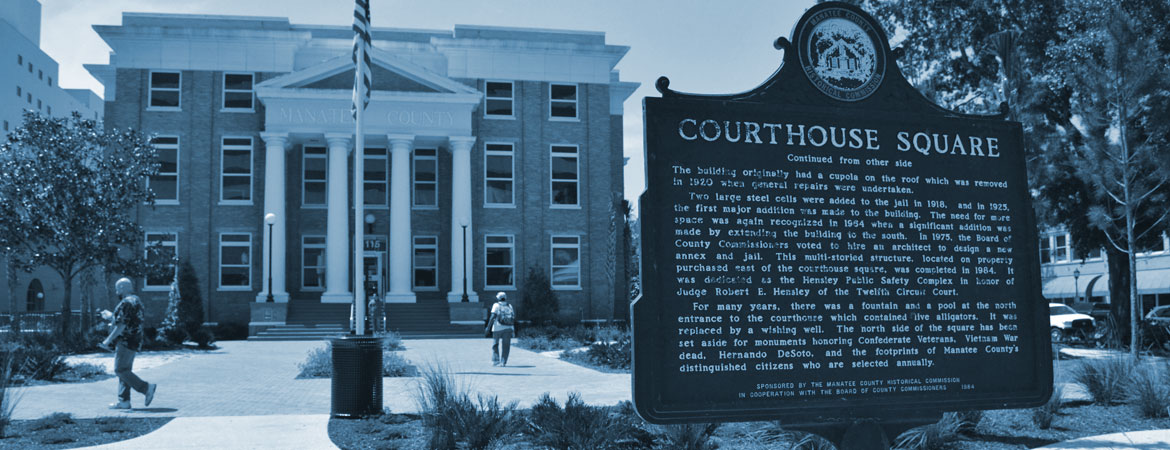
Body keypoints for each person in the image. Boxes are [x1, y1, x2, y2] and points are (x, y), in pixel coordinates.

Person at [99, 278, 157, 409]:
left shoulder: (125, 302)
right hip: (135, 340)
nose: (116, 291)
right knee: (125, 371)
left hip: (125, 341)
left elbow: (121, 325)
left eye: (117, 288)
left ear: (121, 288)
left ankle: (146, 388)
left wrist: (107, 340)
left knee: (120, 370)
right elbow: (127, 319)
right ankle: (124, 401)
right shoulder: (137, 301)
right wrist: (111, 316)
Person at [486, 292, 515, 366]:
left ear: (498, 298)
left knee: (495, 344)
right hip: (508, 328)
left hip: (497, 328)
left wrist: (488, 327)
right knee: (506, 345)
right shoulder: (509, 305)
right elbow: (512, 317)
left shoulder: (496, 305)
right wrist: (513, 329)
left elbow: (492, 317)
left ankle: (496, 361)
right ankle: (503, 362)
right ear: (505, 298)